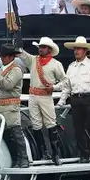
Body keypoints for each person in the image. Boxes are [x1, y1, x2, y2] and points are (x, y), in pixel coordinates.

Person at [58, 37, 90, 163]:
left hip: (89, 98)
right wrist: (62, 100)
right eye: (75, 49)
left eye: (79, 49)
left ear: (85, 51)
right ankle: (84, 156)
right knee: (78, 129)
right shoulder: (71, 66)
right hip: (75, 99)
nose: (76, 51)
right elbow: (67, 86)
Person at [18, 37, 67, 165]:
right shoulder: (33, 60)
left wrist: (54, 87)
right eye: (40, 47)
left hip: (46, 96)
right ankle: (44, 152)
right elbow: (22, 54)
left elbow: (65, 81)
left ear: (49, 49)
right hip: (33, 95)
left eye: (43, 47)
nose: (41, 49)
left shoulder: (56, 64)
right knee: (36, 124)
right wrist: (17, 39)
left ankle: (55, 154)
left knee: (51, 123)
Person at [0, 43, 31, 168]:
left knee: (16, 133)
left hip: (11, 106)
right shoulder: (4, 68)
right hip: (2, 106)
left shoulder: (16, 70)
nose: (2, 58)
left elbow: (8, 84)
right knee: (6, 136)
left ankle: (24, 159)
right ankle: (14, 159)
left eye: (4, 56)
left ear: (11, 57)